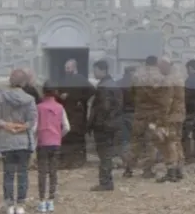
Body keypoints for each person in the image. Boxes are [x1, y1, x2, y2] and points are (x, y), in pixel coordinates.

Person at [0, 69, 38, 214]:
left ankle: (9, 205)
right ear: (24, 82)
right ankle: (20, 205)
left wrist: (7, 125)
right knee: (22, 173)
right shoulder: (30, 99)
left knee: (8, 173)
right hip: (23, 142)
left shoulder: (0, 98)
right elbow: (32, 121)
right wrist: (20, 127)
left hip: (6, 141)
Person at [123, 56, 164, 179]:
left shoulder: (136, 75)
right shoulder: (161, 77)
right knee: (151, 143)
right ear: (156, 63)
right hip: (154, 115)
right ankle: (147, 170)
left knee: (135, 142)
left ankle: (128, 169)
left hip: (139, 113)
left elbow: (131, 93)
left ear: (145, 62)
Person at [87, 60, 123, 191]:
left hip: (104, 126)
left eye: (95, 70)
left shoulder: (104, 87)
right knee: (107, 153)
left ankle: (105, 182)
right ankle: (107, 181)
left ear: (102, 70)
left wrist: (97, 123)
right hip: (111, 125)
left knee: (104, 154)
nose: (94, 73)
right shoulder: (112, 84)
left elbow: (104, 108)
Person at [36, 81, 70, 213]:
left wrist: (35, 141)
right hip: (55, 143)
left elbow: (34, 127)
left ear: (43, 92)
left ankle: (41, 201)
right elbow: (67, 127)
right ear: (56, 93)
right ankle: (50, 201)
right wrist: (58, 136)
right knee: (53, 172)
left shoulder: (39, 107)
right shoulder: (60, 107)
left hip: (42, 143)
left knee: (42, 172)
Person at [55, 59, 95, 169]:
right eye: (65, 68)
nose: (66, 70)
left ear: (74, 67)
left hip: (78, 113)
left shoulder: (81, 79)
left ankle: (79, 160)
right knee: (67, 136)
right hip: (66, 112)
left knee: (78, 136)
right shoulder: (63, 80)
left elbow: (91, 91)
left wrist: (80, 100)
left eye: (68, 68)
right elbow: (58, 92)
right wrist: (60, 96)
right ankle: (66, 160)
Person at [155, 57, 185, 183]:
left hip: (170, 117)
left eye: (160, 66)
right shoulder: (178, 77)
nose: (158, 69)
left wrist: (161, 120)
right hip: (179, 115)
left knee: (168, 143)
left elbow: (166, 102)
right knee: (177, 142)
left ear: (166, 65)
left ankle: (171, 171)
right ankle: (178, 170)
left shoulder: (168, 80)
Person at [116, 66, 136, 160]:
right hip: (134, 114)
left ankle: (125, 158)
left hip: (122, 113)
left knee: (125, 138)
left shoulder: (118, 83)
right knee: (135, 138)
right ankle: (133, 158)